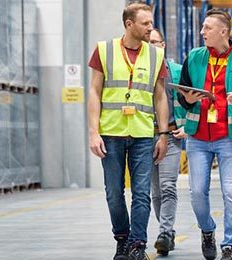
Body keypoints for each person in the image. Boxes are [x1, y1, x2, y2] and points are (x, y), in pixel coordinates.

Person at [177, 8, 232, 260]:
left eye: (207, 27)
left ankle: (230, 246)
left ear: (223, 31)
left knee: (231, 192)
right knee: (196, 192)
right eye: (203, 27)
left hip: (229, 137)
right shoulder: (193, 57)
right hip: (198, 137)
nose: (202, 31)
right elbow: (182, 96)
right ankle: (207, 231)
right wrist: (187, 99)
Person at [87, 3, 169, 260]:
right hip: (111, 132)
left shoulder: (156, 55)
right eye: (145, 23)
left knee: (142, 192)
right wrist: (93, 132)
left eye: (151, 23)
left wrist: (163, 135)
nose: (150, 28)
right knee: (113, 192)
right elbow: (94, 92)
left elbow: (160, 97)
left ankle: (137, 245)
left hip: (143, 134)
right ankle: (122, 239)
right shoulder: (104, 50)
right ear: (129, 24)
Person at [147, 28, 187, 256]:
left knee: (168, 185)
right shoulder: (139, 72)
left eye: (156, 42)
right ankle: (167, 232)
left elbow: (194, 101)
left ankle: (164, 231)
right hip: (146, 138)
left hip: (171, 136)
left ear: (163, 45)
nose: (152, 46)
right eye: (148, 42)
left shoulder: (178, 72)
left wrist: (187, 127)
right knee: (155, 191)